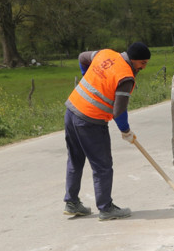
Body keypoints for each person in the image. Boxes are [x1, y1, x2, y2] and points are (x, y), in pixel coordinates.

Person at [63, 42, 150, 220]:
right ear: (134, 60)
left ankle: (72, 203)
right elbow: (118, 111)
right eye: (143, 63)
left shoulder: (105, 54)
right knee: (102, 166)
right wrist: (126, 131)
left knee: (75, 159)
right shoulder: (126, 77)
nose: (143, 67)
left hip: (71, 111)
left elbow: (82, 57)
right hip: (90, 121)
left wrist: (85, 75)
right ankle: (106, 208)